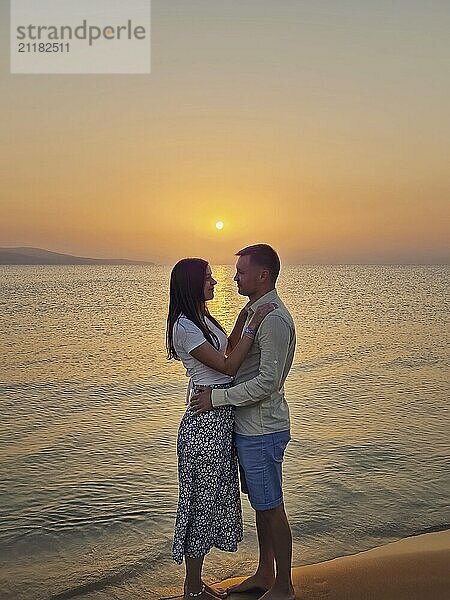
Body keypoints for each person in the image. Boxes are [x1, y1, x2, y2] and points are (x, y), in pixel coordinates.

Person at [166, 258, 276, 600]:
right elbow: (229, 363)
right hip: (204, 424)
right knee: (200, 503)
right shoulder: (184, 327)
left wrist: (246, 312)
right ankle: (192, 589)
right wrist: (254, 324)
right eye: (209, 278)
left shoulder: (201, 320)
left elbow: (225, 348)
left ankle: (194, 585)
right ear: (191, 284)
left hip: (218, 419)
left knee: (210, 501)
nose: (215, 282)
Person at [190, 244, 296, 600]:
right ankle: (265, 574)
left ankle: (284, 586)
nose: (234, 277)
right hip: (249, 428)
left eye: (241, 271)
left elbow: (268, 382)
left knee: (271, 507)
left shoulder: (275, 319)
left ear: (262, 275)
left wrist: (216, 399)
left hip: (263, 428)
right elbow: (230, 354)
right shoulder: (254, 312)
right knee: (261, 506)